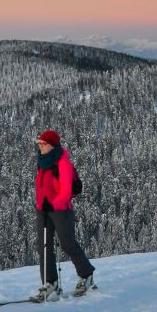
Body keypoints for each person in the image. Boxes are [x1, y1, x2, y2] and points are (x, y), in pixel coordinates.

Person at [33, 129, 95, 300]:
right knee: (43, 247)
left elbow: (66, 190)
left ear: (52, 145)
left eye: (43, 143)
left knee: (68, 244)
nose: (40, 146)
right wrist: (41, 204)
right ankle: (50, 283)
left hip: (61, 210)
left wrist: (54, 204)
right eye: (39, 143)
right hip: (44, 210)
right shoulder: (42, 162)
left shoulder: (63, 163)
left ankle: (86, 275)